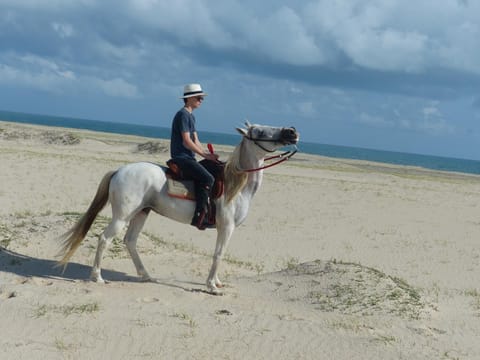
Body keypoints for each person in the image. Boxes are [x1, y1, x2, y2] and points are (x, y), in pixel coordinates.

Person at [170, 83, 219, 230]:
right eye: (199, 97)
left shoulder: (191, 116)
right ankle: (199, 217)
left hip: (189, 157)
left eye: (202, 98)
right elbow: (187, 141)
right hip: (181, 157)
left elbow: (196, 140)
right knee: (208, 178)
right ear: (189, 98)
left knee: (213, 169)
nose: (201, 100)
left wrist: (208, 155)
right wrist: (204, 154)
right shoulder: (183, 115)